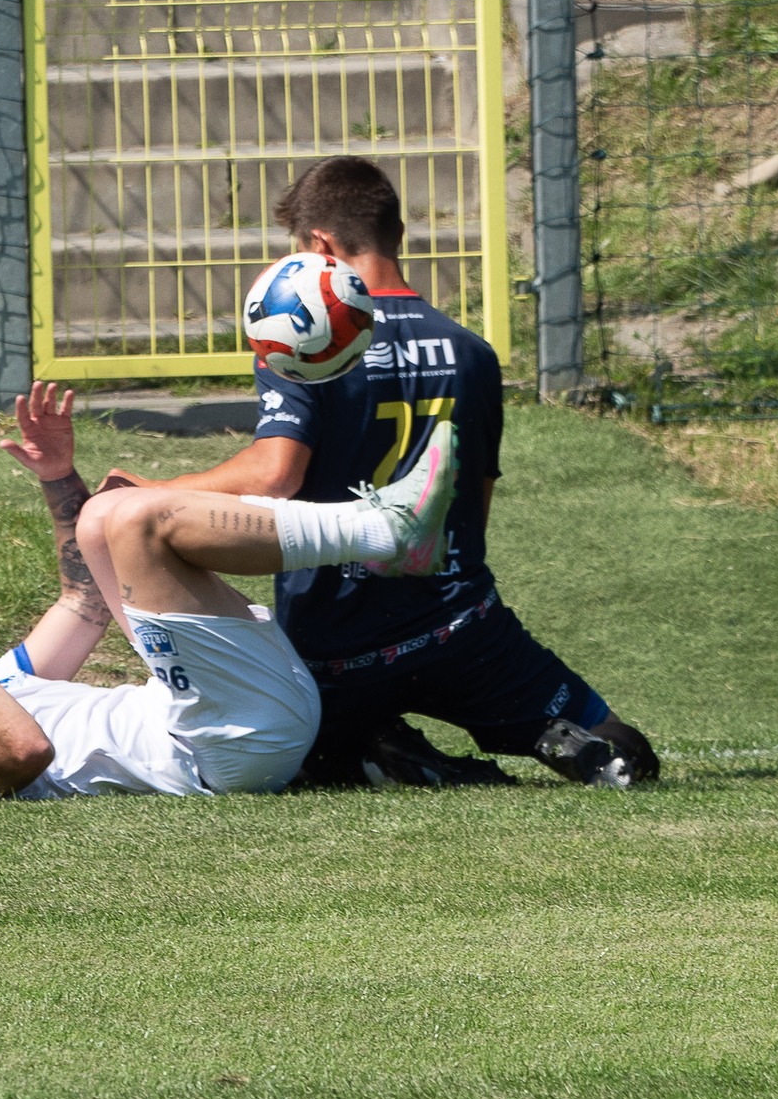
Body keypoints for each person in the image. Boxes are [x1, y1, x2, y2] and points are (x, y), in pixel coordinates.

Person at [99, 156, 659, 789]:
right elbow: (474, 505)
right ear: (398, 233)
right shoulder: (471, 353)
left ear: (321, 246)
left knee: (319, 760)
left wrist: (151, 493)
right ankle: (568, 742)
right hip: (461, 622)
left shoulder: (308, 343)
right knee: (619, 741)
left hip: (337, 641)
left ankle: (382, 753)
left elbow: (274, 473)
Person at [0, 381, 457, 799]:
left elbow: (84, 599)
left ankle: (381, 533)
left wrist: (58, 477)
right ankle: (381, 533)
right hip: (220, 748)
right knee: (134, 519)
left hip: (222, 717)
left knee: (102, 518)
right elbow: (22, 752)